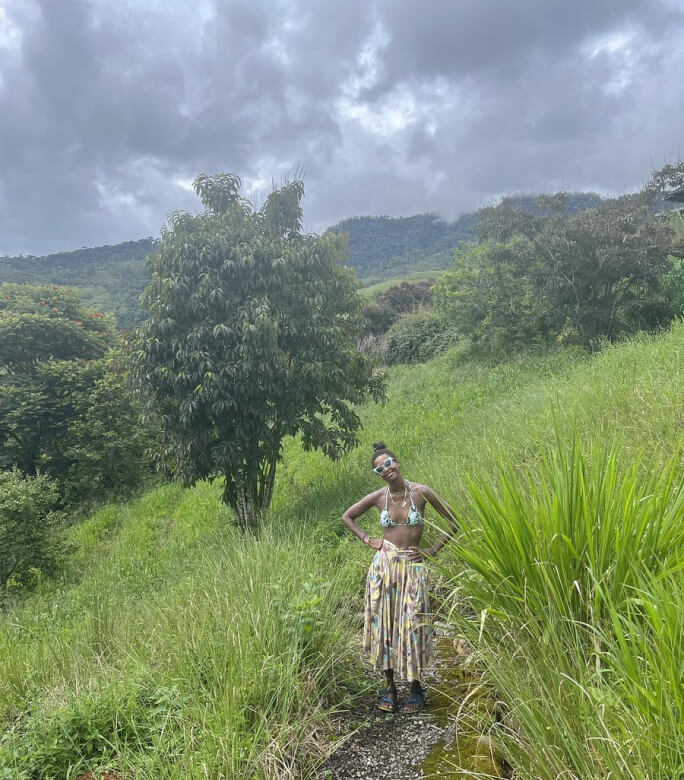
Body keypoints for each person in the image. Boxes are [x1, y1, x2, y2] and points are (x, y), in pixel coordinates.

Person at [341, 441, 459, 714]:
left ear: (397, 463)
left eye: (387, 463)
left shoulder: (421, 493)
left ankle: (416, 687)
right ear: (378, 474)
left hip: (412, 567)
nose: (385, 469)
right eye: (379, 469)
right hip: (384, 568)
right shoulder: (378, 497)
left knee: (413, 622)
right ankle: (390, 687)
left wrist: (431, 551)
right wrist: (367, 539)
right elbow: (347, 516)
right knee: (385, 624)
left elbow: (454, 521)